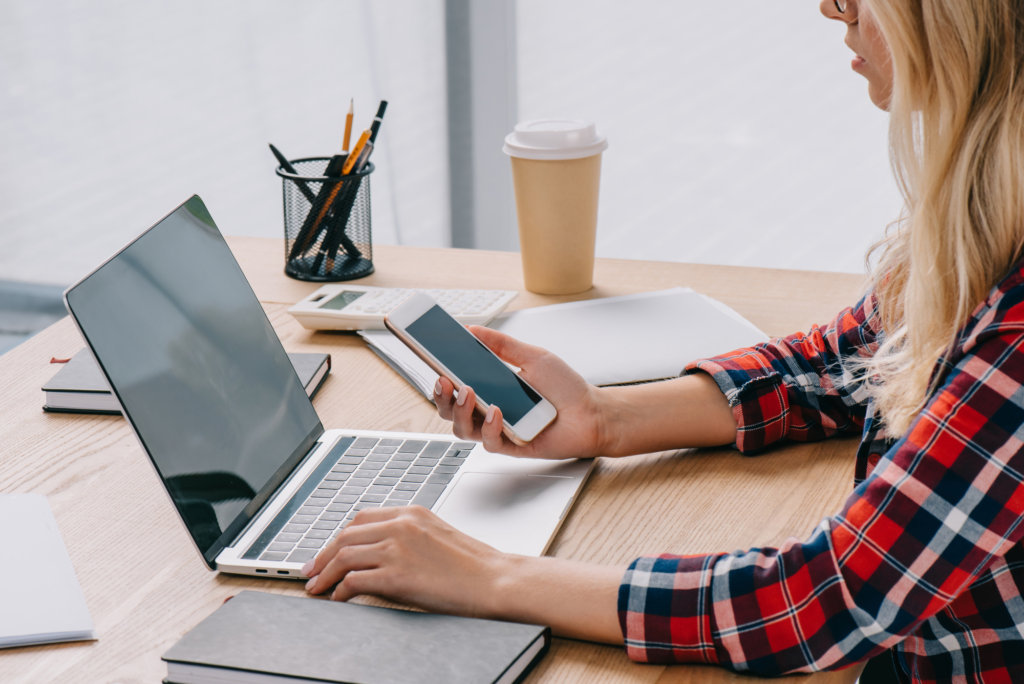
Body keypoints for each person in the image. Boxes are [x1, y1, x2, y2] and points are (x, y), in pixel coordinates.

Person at [303, 0, 1024, 680]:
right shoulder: (987, 217)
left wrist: (492, 576)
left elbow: (823, 601)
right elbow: (841, 360)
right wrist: (606, 420)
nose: (828, 10)